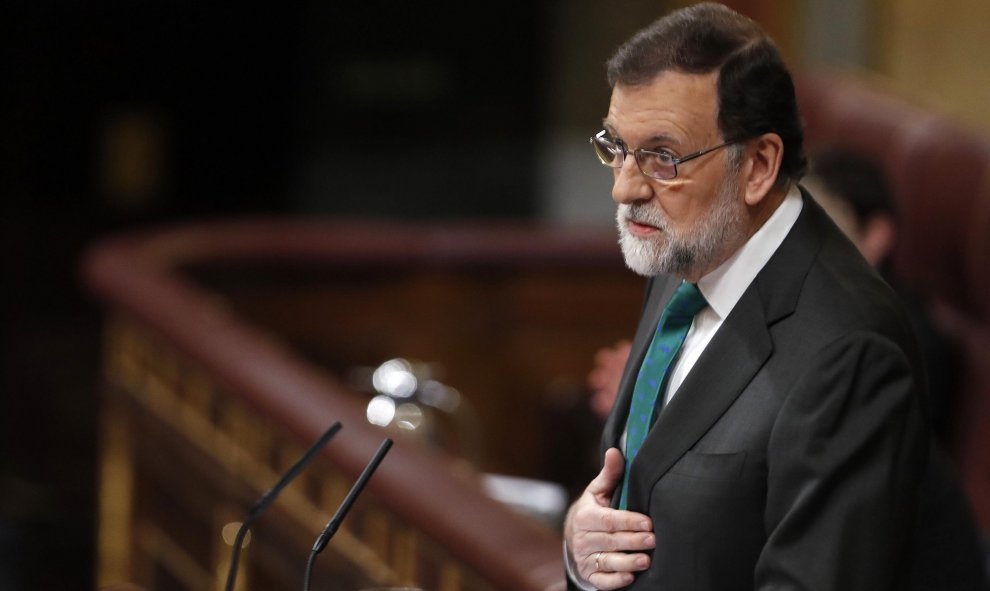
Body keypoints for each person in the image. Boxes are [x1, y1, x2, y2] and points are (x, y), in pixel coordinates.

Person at [563, 4, 930, 590]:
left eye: (662, 156)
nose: (625, 187)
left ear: (758, 165)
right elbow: (635, 488)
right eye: (616, 146)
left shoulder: (850, 352)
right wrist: (583, 547)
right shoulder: (686, 241)